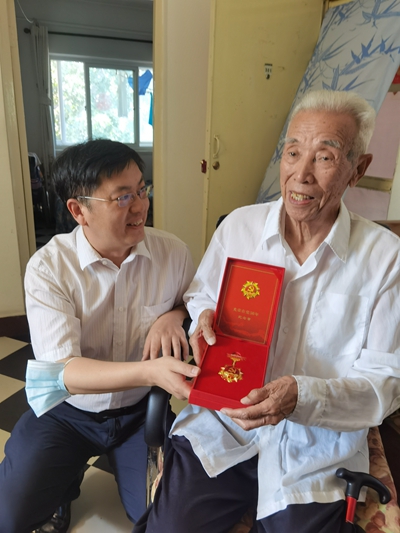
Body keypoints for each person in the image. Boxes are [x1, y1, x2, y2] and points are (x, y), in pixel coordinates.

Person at [134, 90, 400, 533]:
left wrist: (303, 396)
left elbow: (385, 383)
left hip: (317, 447)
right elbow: (202, 296)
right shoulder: (240, 226)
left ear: (358, 169)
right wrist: (204, 318)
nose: (301, 174)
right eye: (293, 152)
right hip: (225, 428)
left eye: (325, 157)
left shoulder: (386, 258)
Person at [0, 139, 200, 533]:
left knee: (164, 519)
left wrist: (174, 315)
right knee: (10, 517)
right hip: (66, 413)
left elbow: (196, 304)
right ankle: (63, 481)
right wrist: (151, 372)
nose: (140, 206)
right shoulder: (49, 268)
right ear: (79, 210)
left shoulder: (173, 253)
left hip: (139, 413)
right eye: (123, 197)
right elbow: (64, 371)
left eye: (142, 189)